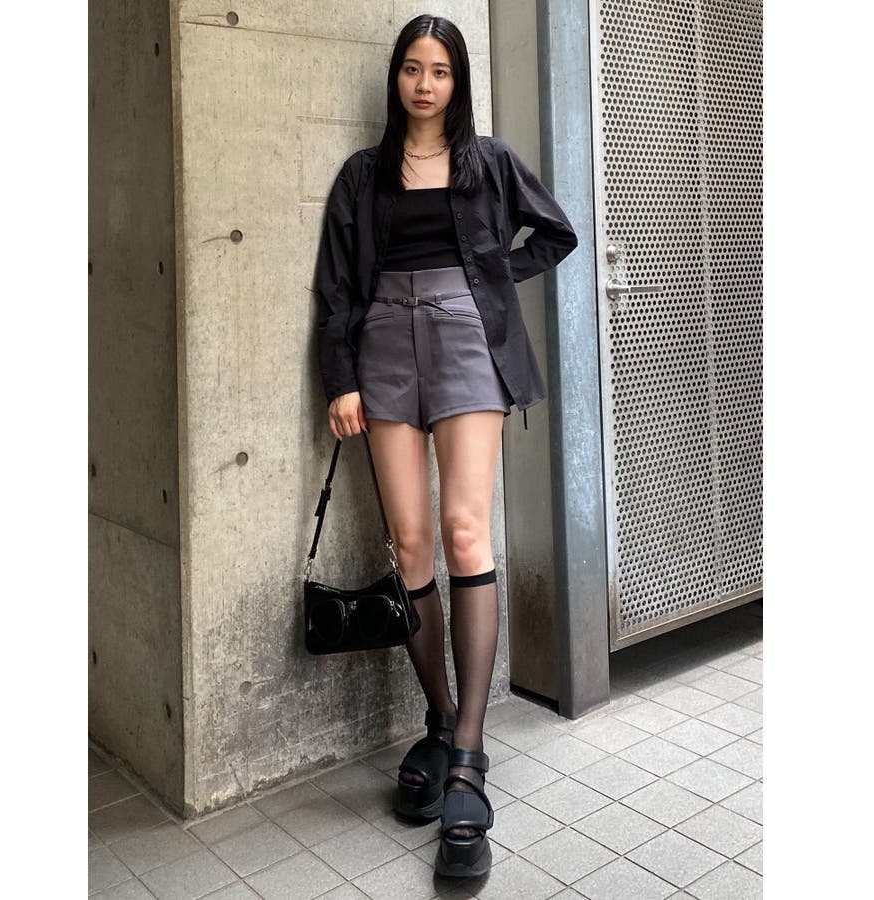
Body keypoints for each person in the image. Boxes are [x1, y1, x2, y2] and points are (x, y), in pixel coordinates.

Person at [312, 14, 577, 878]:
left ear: (458, 81)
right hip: (383, 349)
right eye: (412, 69)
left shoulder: (489, 162)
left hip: (468, 344)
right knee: (411, 544)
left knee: (466, 533)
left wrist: (490, 280)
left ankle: (467, 752)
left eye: (441, 71)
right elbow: (336, 287)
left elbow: (556, 233)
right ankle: (437, 716)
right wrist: (340, 376)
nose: (425, 84)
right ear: (396, 77)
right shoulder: (363, 175)